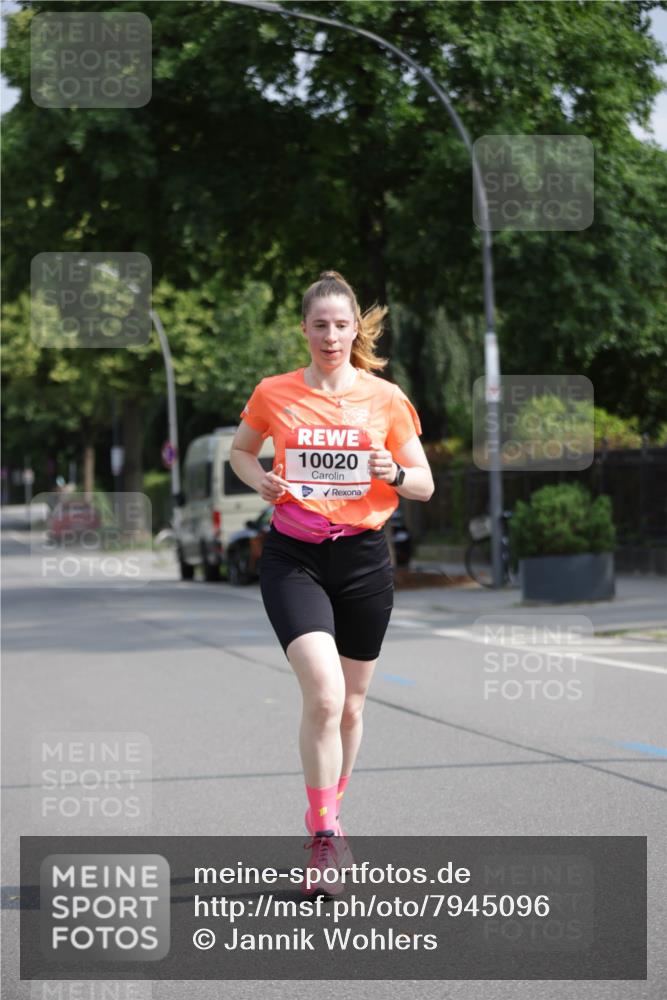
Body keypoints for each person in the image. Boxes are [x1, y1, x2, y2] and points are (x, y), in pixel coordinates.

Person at [230, 270, 434, 895]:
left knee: (350, 705)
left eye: (341, 325)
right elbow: (239, 451)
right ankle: (323, 836)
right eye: (319, 325)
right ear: (304, 330)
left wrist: (392, 470)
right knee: (322, 695)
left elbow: (424, 483)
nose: (330, 335)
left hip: (365, 559)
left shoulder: (386, 398)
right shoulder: (275, 392)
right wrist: (257, 476)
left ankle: (331, 816)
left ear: (355, 330)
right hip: (295, 556)